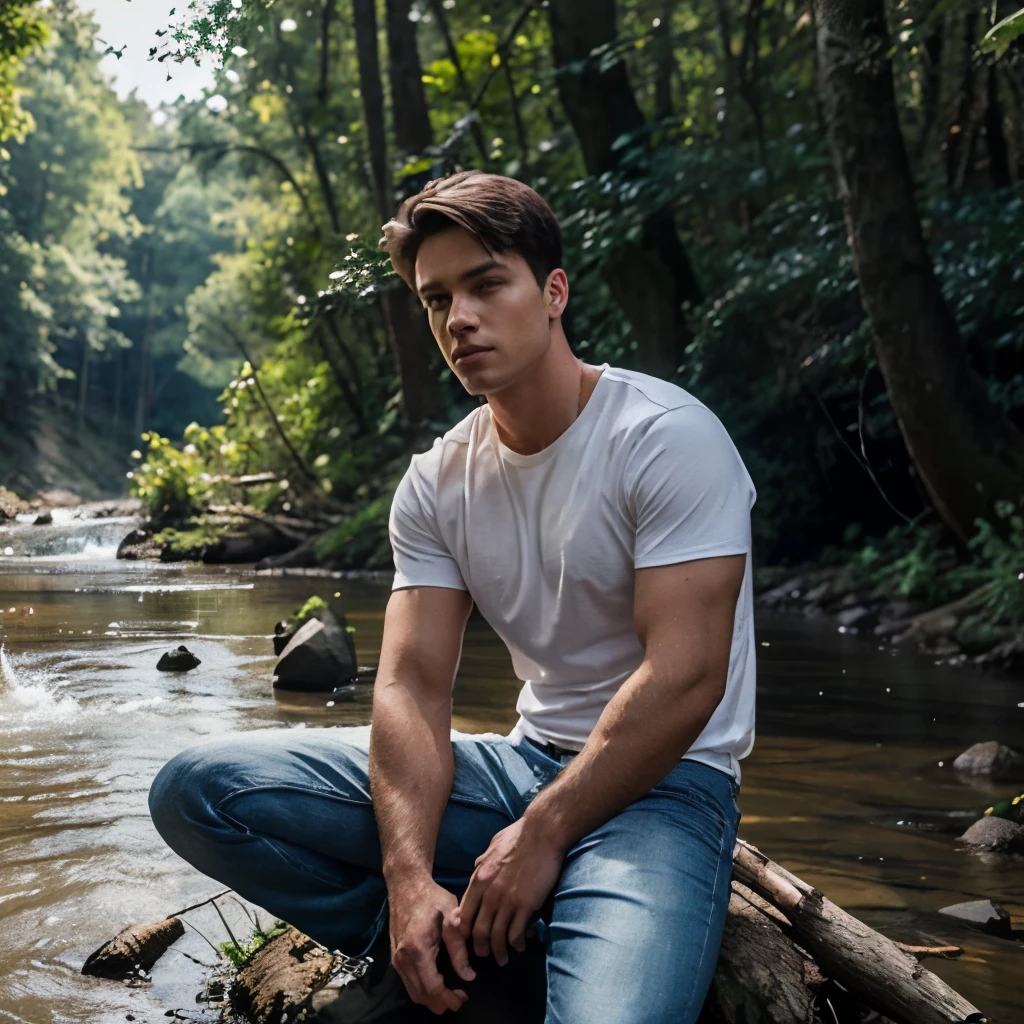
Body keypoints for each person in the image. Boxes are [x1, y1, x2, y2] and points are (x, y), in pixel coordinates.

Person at [149, 171, 757, 1024]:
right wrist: (406, 884)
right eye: (435, 299)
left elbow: (690, 677)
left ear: (553, 292)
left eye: (485, 284)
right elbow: (410, 687)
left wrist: (542, 837)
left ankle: (517, 940)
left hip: (667, 789)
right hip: (520, 766)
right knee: (195, 790)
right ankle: (447, 954)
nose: (458, 318)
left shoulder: (664, 437)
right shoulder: (437, 481)